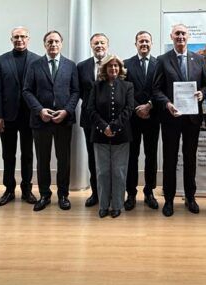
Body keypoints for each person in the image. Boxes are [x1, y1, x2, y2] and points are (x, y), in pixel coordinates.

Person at [152, 23, 206, 217]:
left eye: (183, 33)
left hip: (192, 118)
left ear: (188, 36)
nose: (180, 36)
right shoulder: (162, 60)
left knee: (190, 158)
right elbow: (156, 89)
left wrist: (202, 94)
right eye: (177, 33)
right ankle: (169, 199)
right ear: (171, 36)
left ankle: (190, 197)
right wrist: (167, 103)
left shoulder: (199, 59)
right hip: (171, 117)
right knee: (169, 159)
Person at [23, 30, 80, 211]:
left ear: (61, 44)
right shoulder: (34, 65)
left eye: (56, 41)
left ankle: (63, 195)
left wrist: (67, 111)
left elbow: (76, 91)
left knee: (63, 159)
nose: (53, 44)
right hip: (41, 121)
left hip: (63, 120)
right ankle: (44, 195)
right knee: (43, 160)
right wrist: (40, 110)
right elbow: (27, 91)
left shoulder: (70, 65)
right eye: (50, 42)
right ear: (45, 44)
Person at [0, 26, 41, 206]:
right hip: (7, 116)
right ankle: (9, 190)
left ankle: (27, 190)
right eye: (16, 37)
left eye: (23, 36)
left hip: (30, 116)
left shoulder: (37, 60)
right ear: (11, 39)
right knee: (8, 155)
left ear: (28, 39)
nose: (19, 39)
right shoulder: (0, 60)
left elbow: (40, 89)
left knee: (27, 155)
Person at [86, 54, 135, 218]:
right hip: (100, 135)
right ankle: (103, 205)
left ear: (120, 68)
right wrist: (104, 127)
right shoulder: (96, 86)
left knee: (119, 172)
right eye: (110, 66)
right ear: (105, 68)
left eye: (116, 66)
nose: (113, 68)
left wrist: (113, 127)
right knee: (102, 172)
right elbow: (90, 109)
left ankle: (117, 205)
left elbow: (129, 108)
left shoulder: (128, 86)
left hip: (122, 135)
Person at [124, 31, 161, 210]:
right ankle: (131, 193)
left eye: (147, 41)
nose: (144, 44)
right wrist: (137, 108)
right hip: (132, 118)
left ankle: (149, 192)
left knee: (151, 155)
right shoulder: (126, 64)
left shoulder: (159, 64)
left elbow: (161, 88)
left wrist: (149, 105)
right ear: (136, 44)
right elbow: (124, 90)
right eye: (141, 41)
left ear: (151, 43)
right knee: (132, 156)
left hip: (153, 116)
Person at [77, 33, 109, 208]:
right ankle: (96, 193)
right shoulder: (82, 66)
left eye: (102, 42)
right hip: (89, 119)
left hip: (110, 120)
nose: (99, 46)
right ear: (91, 46)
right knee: (92, 157)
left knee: (109, 158)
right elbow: (79, 91)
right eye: (96, 43)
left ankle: (110, 193)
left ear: (107, 45)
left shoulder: (115, 64)